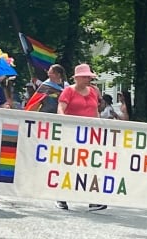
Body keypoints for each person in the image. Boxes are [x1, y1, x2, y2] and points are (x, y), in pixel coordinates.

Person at [56, 63, 106, 211]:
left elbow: (95, 111)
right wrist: (64, 121)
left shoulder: (93, 91)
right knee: (69, 164)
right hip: (72, 133)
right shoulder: (68, 91)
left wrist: (99, 126)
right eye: (85, 76)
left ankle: (92, 198)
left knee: (91, 165)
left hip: (90, 135)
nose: (88, 79)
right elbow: (61, 108)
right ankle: (61, 196)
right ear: (77, 78)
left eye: (89, 77)